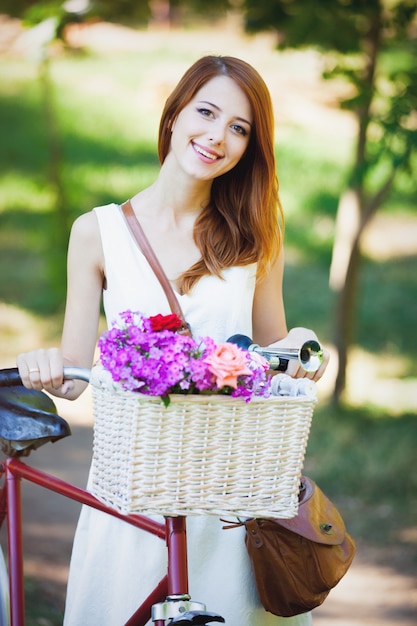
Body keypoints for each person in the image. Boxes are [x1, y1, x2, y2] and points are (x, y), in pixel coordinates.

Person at [17, 55, 329, 625]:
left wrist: (302, 347)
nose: (217, 136)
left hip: (231, 497)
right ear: (174, 115)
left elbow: (274, 356)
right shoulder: (98, 233)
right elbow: (70, 372)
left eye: (239, 129)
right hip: (134, 487)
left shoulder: (255, 239)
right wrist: (45, 365)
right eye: (206, 113)